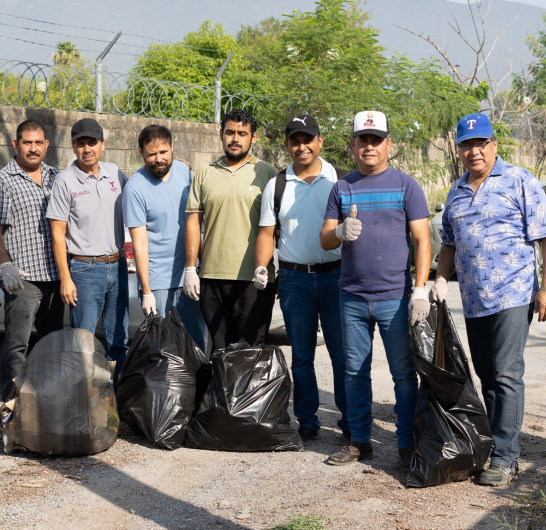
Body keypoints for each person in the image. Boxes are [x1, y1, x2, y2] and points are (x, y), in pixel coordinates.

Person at [432, 113, 546, 486]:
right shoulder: (455, 191)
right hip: (474, 299)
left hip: (513, 294)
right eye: (467, 145)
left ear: (494, 145)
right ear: (459, 150)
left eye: (481, 143)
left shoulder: (520, 180)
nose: (474, 151)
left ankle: (506, 458)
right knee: (486, 376)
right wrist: (440, 279)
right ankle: (497, 446)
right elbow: (449, 244)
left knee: (506, 374)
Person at [320, 110, 431, 467]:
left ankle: (405, 443)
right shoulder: (343, 186)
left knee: (402, 373)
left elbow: (422, 240)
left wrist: (419, 289)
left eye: (376, 140)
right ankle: (359, 440)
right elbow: (324, 239)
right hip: (352, 296)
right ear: (353, 144)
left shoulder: (405, 185)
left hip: (395, 298)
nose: (369, 146)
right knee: (354, 371)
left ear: (389, 144)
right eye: (363, 140)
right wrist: (338, 233)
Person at [253, 115, 348, 443]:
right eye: (295, 140)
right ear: (287, 146)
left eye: (308, 139)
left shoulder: (341, 181)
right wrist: (261, 266)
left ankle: (350, 419)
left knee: (342, 353)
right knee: (302, 356)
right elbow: (267, 232)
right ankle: (307, 420)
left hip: (336, 276)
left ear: (320, 141)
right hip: (295, 279)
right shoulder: (276, 185)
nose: (301, 146)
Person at [183, 109, 279, 351]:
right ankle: (220, 391)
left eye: (242, 133)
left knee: (251, 352)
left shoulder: (267, 174)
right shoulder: (205, 172)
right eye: (230, 132)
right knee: (219, 351)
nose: (235, 138)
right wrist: (190, 268)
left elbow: (278, 226)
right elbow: (194, 220)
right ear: (221, 134)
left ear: (253, 138)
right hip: (212, 277)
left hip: (254, 279)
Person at [0, 119, 64, 402]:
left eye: (38, 143)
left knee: (51, 343)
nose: (32, 148)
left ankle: (46, 401)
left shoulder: (57, 177)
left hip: (55, 277)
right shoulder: (2, 181)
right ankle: (13, 405)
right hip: (24, 278)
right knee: (17, 345)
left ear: (46, 145)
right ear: (15, 144)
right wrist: (5, 265)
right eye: (27, 143)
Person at [46, 118, 129, 379]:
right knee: (83, 344)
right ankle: (83, 405)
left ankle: (114, 403)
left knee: (118, 339)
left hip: (118, 267)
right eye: (80, 144)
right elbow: (57, 235)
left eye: (92, 143)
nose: (87, 149)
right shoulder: (64, 181)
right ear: (73, 147)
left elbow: (142, 194)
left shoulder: (116, 174)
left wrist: (177, 169)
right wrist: (65, 279)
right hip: (84, 269)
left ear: (102, 145)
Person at [122, 124, 206, 350]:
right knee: (165, 350)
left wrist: (195, 268)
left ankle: (198, 386)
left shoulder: (182, 170)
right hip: (158, 283)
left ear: (172, 147)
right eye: (151, 154)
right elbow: (139, 243)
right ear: (141, 152)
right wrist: (147, 291)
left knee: (197, 345)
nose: (158, 159)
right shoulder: (134, 189)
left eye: (163, 152)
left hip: (189, 274)